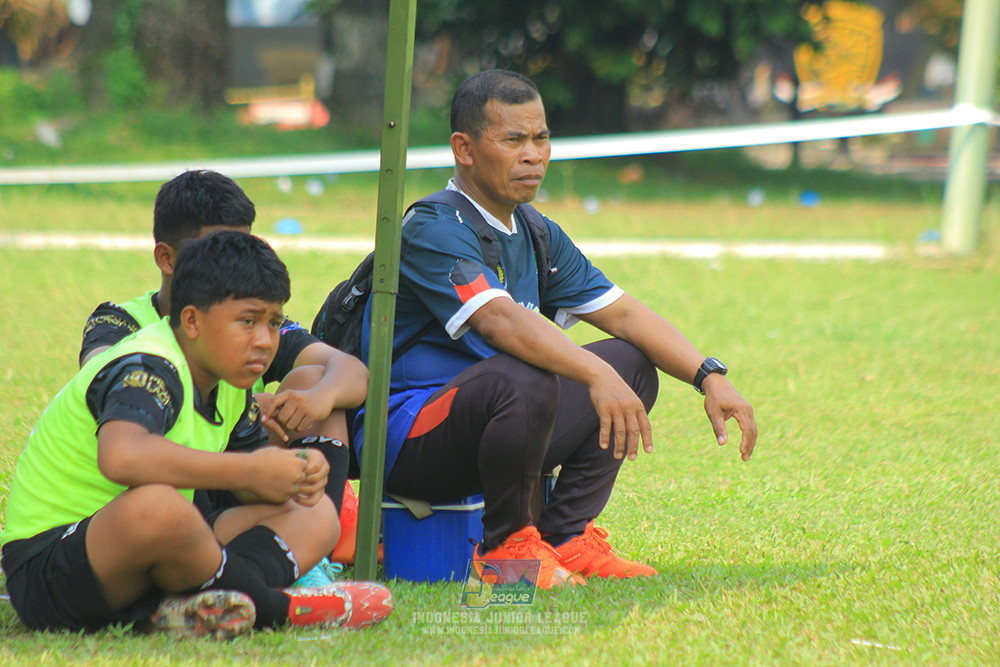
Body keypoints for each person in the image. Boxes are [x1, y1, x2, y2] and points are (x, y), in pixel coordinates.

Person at [353, 70, 758, 588]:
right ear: (465, 148)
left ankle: (566, 535)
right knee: (526, 375)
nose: (533, 155)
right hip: (408, 439)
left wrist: (709, 376)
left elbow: (624, 314)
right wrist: (592, 373)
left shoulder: (535, 230)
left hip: (500, 420)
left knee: (630, 364)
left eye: (541, 138)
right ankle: (507, 550)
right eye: (513, 140)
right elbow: (498, 321)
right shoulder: (432, 228)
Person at [1, 231, 392, 638]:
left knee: (316, 516)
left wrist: (292, 474)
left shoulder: (230, 383)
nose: (265, 341)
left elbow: (249, 487)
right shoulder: (149, 366)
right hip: (50, 567)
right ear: (191, 321)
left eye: (274, 323)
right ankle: (276, 608)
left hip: (149, 563)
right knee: (159, 506)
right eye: (248, 321)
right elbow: (121, 458)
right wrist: (248, 472)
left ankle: (195, 606)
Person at [79, 170, 368, 570]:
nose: (233, 261)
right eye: (218, 247)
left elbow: (350, 370)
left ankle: (305, 559)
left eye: (242, 246)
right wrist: (249, 417)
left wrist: (315, 400)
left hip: (222, 481)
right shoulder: (123, 324)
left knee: (316, 381)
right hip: (147, 492)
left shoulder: (253, 321)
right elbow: (104, 386)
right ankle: (251, 566)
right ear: (167, 258)